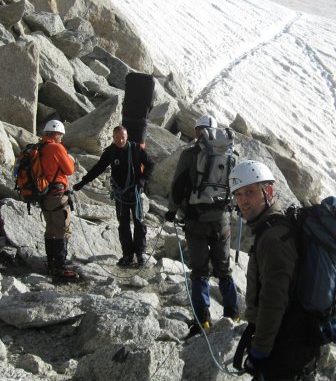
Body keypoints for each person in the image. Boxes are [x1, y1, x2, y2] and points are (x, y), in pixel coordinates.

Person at [230, 160, 320, 380]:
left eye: (250, 192)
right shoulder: (275, 227)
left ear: (268, 191)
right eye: (238, 194)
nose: (242, 201)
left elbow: (274, 299)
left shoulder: (273, 238)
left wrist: (260, 350)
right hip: (293, 339)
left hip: (286, 345)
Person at [165, 114, 240, 336]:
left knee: (199, 271)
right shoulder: (231, 155)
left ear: (199, 131)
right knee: (224, 269)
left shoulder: (190, 154)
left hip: (195, 220)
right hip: (222, 221)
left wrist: (172, 210)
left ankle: (202, 320)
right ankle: (232, 313)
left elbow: (178, 185)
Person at [73, 125, 153, 267]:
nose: (120, 141)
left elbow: (150, 164)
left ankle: (140, 254)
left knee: (139, 223)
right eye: (117, 138)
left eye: (122, 138)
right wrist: (83, 182)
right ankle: (128, 255)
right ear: (113, 138)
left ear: (126, 137)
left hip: (135, 192)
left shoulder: (135, 149)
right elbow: (98, 168)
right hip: (120, 194)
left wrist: (142, 180)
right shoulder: (111, 152)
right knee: (123, 225)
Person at [37, 119, 77, 280]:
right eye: (61, 135)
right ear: (57, 134)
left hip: (43, 194)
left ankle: (51, 263)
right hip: (57, 195)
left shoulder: (39, 147)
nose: (61, 138)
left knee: (51, 228)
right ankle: (60, 266)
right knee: (62, 228)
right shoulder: (56, 147)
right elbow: (69, 170)